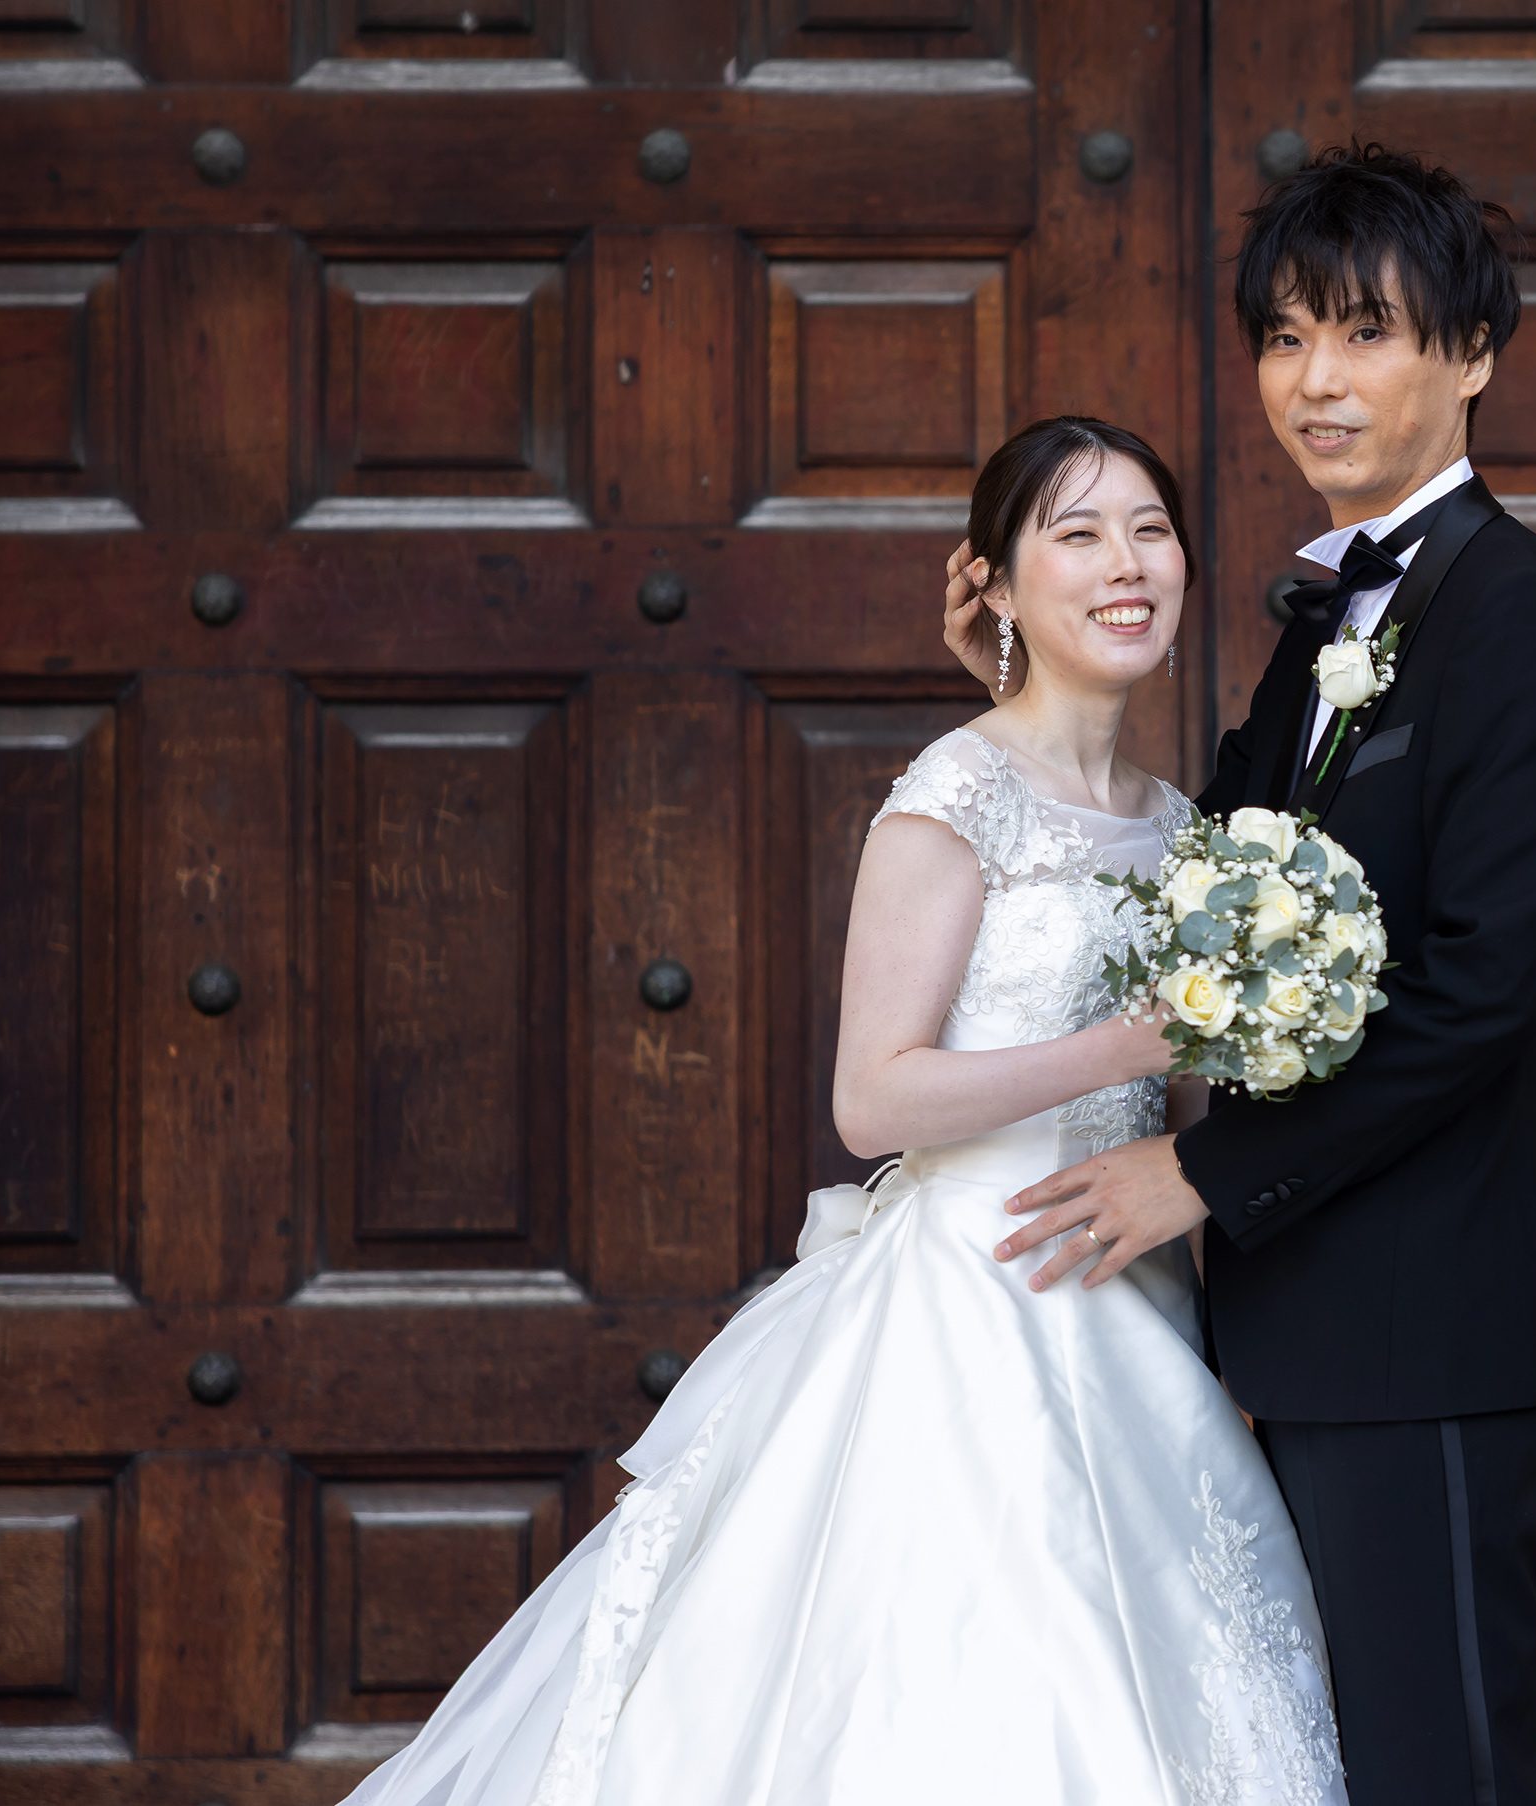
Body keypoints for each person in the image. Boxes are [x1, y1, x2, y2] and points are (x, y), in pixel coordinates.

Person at [337, 417, 1348, 1806]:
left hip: (1132, 1294)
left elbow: (1169, 1080)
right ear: (992, 585)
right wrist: (1125, 1038)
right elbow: (874, 1095)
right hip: (970, 1305)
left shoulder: (1182, 824)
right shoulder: (956, 795)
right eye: (1077, 532)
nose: (1127, 563)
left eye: (1151, 529)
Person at [946, 144, 1536, 1806]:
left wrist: (1198, 1169)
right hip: (1289, 1315)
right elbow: (1212, 905)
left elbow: (1475, 990)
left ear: (1470, 355)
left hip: (1427, 1322)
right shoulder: (1321, 623)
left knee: (1431, 1771)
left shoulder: (1518, 608)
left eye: (1366, 333)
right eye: (1286, 337)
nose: (1315, 381)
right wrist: (1026, 702)